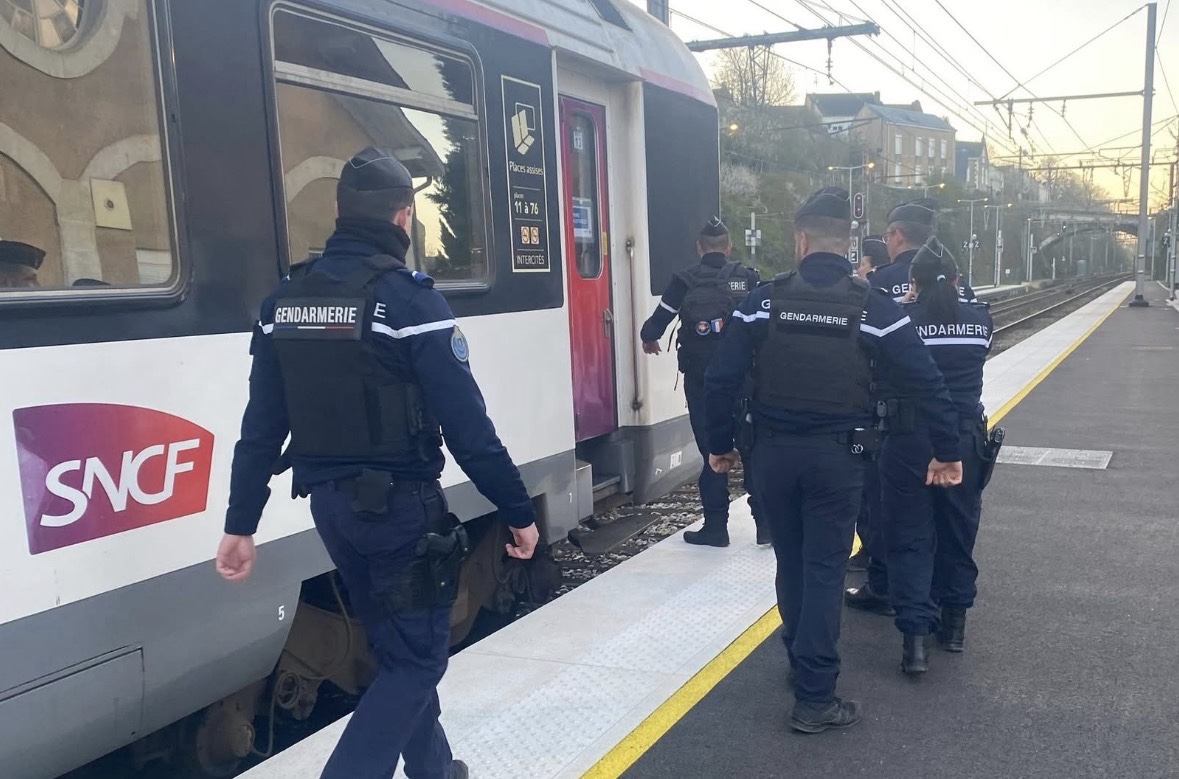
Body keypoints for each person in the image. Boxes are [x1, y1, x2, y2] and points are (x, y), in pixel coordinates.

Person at [215, 147, 539, 779]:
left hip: (333, 513)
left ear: (337, 211)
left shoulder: (284, 304)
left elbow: (260, 430)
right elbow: (471, 431)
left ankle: (437, 772)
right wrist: (519, 511)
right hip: (400, 516)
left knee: (396, 652)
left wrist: (240, 522)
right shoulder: (409, 303)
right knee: (419, 662)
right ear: (404, 217)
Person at [703, 187, 963, 733]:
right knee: (824, 569)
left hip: (771, 456)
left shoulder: (762, 302)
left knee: (791, 562)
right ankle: (816, 697)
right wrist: (947, 451)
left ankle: (802, 662)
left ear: (800, 240)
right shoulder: (874, 308)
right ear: (846, 245)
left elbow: (721, 379)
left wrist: (719, 443)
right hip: (838, 461)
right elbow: (927, 382)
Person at [879, 238, 994, 673]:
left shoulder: (901, 323)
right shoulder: (980, 320)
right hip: (964, 443)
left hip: (908, 441)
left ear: (913, 283)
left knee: (909, 537)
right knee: (958, 532)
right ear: (960, 280)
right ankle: (955, 626)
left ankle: (914, 644)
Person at [640, 217, 767, 546]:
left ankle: (715, 527)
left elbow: (656, 324)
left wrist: (649, 339)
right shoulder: (748, 278)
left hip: (703, 383)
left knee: (712, 449)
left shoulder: (685, 280)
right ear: (729, 248)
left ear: (699, 249)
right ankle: (765, 525)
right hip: (745, 381)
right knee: (752, 448)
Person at [847, 233, 893, 576]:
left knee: (871, 491)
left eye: (860, 263)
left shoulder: (871, 294)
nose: (857, 270)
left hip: (872, 408)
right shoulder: (911, 284)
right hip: (908, 411)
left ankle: (874, 561)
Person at [868, 198, 978, 303]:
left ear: (898, 235)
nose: (886, 243)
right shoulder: (957, 282)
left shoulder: (879, 282)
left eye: (887, 237)